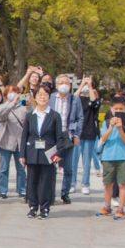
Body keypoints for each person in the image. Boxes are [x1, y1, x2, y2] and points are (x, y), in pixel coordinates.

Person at [20, 83, 67, 219]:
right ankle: (33, 207)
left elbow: (59, 137)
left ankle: (45, 207)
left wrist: (59, 153)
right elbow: (24, 136)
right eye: (40, 94)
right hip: (32, 152)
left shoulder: (55, 116)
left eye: (45, 94)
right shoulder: (30, 115)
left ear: (49, 97)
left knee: (46, 182)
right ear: (35, 97)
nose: (42, 97)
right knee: (32, 181)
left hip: (49, 153)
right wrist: (22, 154)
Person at [96, 96, 125, 219]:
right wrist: (111, 127)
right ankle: (107, 206)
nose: (118, 111)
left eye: (121, 109)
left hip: (123, 157)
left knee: (123, 184)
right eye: (116, 109)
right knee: (108, 184)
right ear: (112, 109)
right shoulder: (106, 123)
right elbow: (103, 139)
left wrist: (120, 128)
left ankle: (121, 209)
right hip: (108, 157)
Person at [49, 74, 83, 203]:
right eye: (61, 83)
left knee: (68, 168)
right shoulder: (51, 98)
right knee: (51, 167)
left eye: (67, 83)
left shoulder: (75, 99)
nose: (64, 85)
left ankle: (65, 193)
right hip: (53, 137)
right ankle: (50, 194)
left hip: (68, 137)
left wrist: (77, 134)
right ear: (57, 85)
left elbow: (80, 117)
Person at [0, 84, 28, 199]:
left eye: (15, 92)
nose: (12, 94)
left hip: (20, 142)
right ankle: (3, 190)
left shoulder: (23, 108)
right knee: (4, 168)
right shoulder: (2, 107)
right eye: (10, 92)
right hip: (6, 141)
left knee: (21, 168)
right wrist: (12, 103)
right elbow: (1, 115)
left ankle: (22, 189)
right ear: (6, 95)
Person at [77, 77, 101, 194]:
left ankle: (85, 183)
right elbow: (72, 98)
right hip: (77, 133)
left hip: (89, 132)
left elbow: (94, 101)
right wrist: (82, 84)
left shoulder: (94, 101)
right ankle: (72, 183)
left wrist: (90, 86)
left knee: (86, 161)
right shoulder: (78, 100)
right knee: (73, 161)